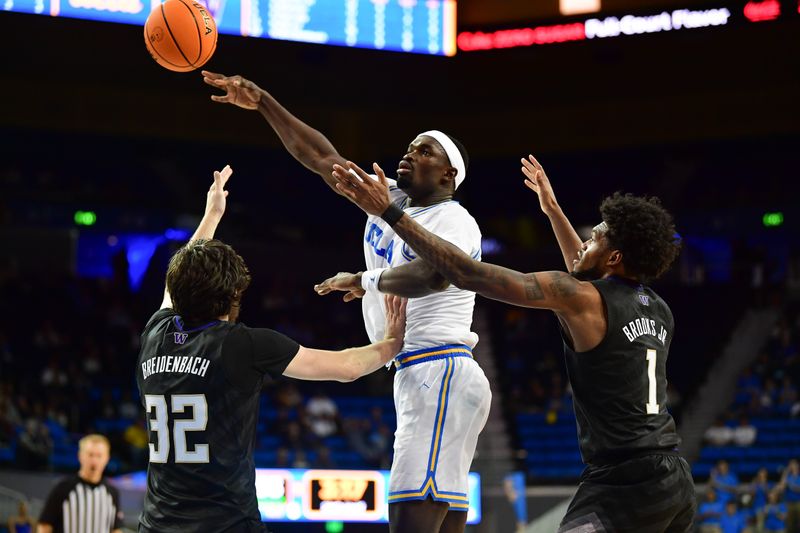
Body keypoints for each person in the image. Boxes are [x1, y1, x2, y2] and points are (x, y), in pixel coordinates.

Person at [332, 155, 696, 532]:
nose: (583, 242)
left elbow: (465, 272)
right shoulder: (657, 309)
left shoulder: (582, 298)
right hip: (674, 479)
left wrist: (391, 214)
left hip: (627, 480)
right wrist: (552, 209)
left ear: (615, 257)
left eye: (593, 238)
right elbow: (584, 270)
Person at [202, 72, 492, 533]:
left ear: (447, 175)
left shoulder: (453, 218)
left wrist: (365, 279)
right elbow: (320, 157)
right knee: (440, 520)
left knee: (409, 517)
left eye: (425, 150)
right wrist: (263, 102)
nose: (410, 153)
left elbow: (435, 274)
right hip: (425, 374)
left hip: (439, 370)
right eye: (411, 145)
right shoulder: (391, 199)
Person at [136, 165, 407, 532]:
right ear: (233, 295)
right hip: (226, 523)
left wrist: (210, 216)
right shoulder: (243, 345)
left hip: (156, 524)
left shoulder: (156, 334)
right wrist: (391, 344)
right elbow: (346, 367)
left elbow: (175, 283)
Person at [38, 434, 122, 533]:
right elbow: (44, 525)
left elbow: (115, 529)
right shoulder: (63, 488)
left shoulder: (112, 492)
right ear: (80, 456)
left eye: (99, 456)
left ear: (107, 458)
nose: (94, 461)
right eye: (90, 455)